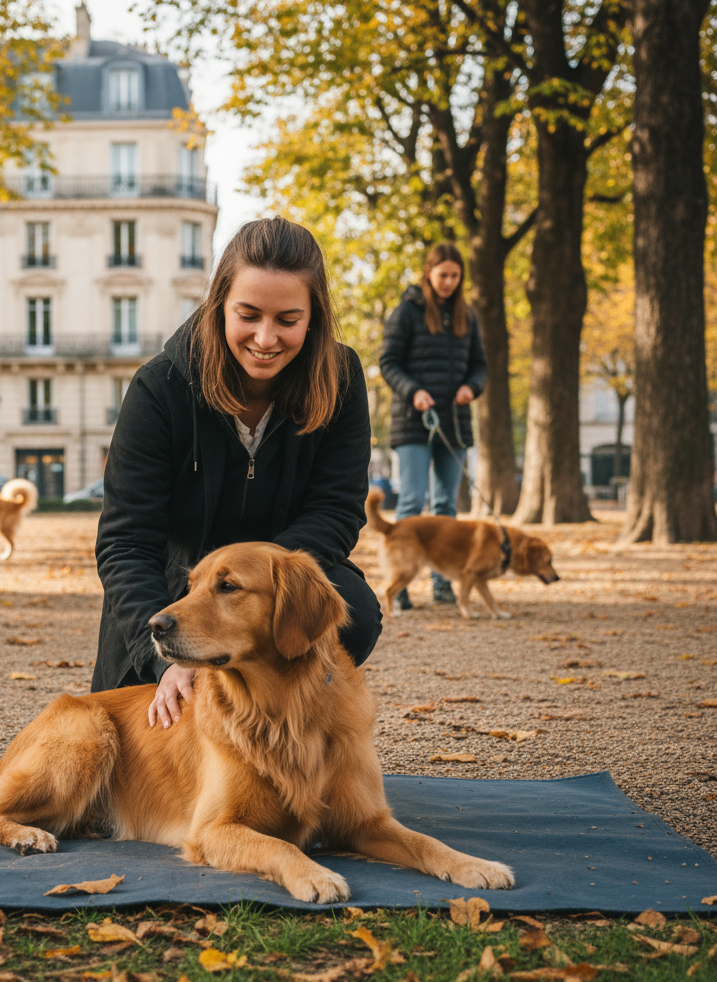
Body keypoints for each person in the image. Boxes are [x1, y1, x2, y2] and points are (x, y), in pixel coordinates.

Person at [92, 216, 382, 728]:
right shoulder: (158, 389)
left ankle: (292, 721)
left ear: (313, 318)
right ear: (219, 304)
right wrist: (169, 656)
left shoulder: (342, 379)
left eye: (288, 320)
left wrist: (268, 583)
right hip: (175, 588)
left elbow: (336, 511)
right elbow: (126, 542)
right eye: (247, 314)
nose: (265, 338)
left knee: (353, 606)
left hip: (278, 582)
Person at [378, 242, 487, 609]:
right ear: (429, 273)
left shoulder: (466, 316)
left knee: (446, 505)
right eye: (443, 275)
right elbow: (388, 362)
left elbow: (480, 366)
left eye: (455, 277)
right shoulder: (406, 312)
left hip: (454, 424)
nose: (449, 283)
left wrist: (471, 387)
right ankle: (402, 582)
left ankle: (443, 581)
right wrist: (415, 392)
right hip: (414, 421)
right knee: (410, 500)